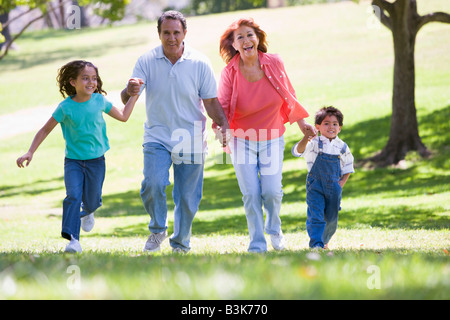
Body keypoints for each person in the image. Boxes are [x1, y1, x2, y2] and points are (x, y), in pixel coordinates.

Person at [121, 11, 229, 253]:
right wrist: (128, 90)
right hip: (157, 135)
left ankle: (180, 242)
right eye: (166, 33)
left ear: (185, 34)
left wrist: (223, 125)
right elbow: (127, 94)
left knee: (188, 197)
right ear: (159, 34)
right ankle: (158, 228)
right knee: (153, 183)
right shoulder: (146, 60)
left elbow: (211, 102)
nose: (171, 38)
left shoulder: (200, 62)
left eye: (176, 32)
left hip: (191, 136)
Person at [16, 60, 142, 253]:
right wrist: (30, 151)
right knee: (73, 196)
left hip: (96, 161)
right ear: (73, 82)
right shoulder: (65, 107)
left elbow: (124, 116)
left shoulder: (99, 101)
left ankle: (88, 211)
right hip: (73, 162)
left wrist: (134, 95)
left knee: (92, 201)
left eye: (94, 78)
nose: (91, 82)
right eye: (85, 78)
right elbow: (44, 130)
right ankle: (73, 239)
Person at [215, 18, 315, 253]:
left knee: (271, 191)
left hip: (271, 136)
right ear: (234, 45)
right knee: (250, 194)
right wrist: (222, 131)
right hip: (242, 138)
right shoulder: (230, 72)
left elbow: (288, 93)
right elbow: (222, 105)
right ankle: (257, 243)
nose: (246, 40)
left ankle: (274, 228)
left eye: (250, 35)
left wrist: (301, 124)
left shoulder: (273, 62)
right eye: (240, 37)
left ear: (257, 38)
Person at [292, 106, 354, 250]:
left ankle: (324, 240)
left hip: (334, 187)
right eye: (326, 123)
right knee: (316, 215)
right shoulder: (314, 143)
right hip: (315, 186)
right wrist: (306, 137)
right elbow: (297, 151)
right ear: (318, 127)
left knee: (331, 218)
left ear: (340, 128)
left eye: (335, 124)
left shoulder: (342, 147)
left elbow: (348, 167)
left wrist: (340, 184)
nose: (331, 127)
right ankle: (316, 244)